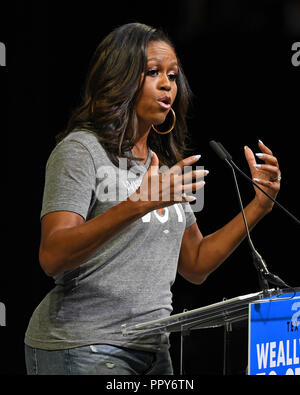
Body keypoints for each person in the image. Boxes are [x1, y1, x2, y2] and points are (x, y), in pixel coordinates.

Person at [24, 22, 281, 375]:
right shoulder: (80, 151)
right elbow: (52, 256)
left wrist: (259, 206)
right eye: (153, 73)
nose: (167, 85)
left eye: (173, 76)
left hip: (153, 348)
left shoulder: (162, 169)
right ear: (120, 78)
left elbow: (195, 264)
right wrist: (138, 204)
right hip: (85, 347)